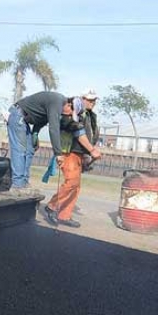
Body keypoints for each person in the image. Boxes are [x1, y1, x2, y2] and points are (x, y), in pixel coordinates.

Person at [42, 90, 103, 228]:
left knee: (75, 187)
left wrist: (88, 153)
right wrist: (92, 151)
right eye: (89, 99)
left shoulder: (90, 115)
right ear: (82, 98)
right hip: (69, 151)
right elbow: (77, 131)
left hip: (80, 153)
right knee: (71, 182)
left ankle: (64, 215)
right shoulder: (72, 111)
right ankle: (51, 206)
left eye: (94, 100)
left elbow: (90, 135)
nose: (92, 103)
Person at [7, 90, 70, 189]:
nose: (68, 116)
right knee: (20, 151)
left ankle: (24, 182)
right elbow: (54, 128)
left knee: (29, 150)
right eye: (70, 114)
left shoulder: (56, 104)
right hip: (18, 116)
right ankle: (17, 185)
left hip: (24, 120)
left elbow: (41, 120)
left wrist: (35, 135)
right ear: (69, 105)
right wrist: (58, 153)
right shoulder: (58, 102)